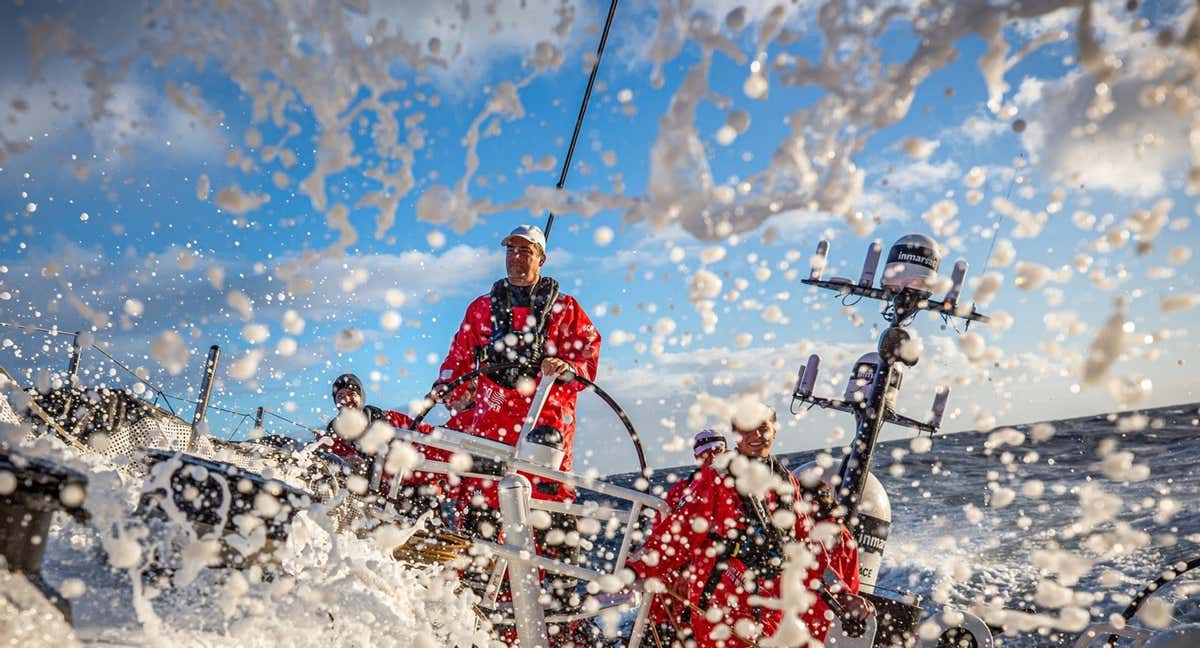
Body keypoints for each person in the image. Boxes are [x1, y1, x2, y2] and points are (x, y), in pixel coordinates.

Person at [431, 224, 602, 641]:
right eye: (511, 250)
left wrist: (567, 368)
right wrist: (450, 384)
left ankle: (563, 625)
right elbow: (460, 356)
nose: (516, 257)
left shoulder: (567, 310)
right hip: (491, 430)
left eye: (526, 251)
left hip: (544, 428)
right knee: (482, 523)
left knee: (552, 526)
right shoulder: (480, 309)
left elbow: (587, 354)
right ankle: (477, 622)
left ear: (541, 259)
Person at [626, 403, 874, 647]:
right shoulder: (715, 478)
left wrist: (842, 595)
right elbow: (677, 535)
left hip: (768, 614)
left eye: (762, 427)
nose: (755, 436)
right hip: (720, 610)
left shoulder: (786, 481)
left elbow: (805, 548)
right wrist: (632, 572)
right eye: (746, 429)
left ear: (775, 429)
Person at [646, 429, 729, 647]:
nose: (711, 457)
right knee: (664, 607)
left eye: (717, 451)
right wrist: (683, 571)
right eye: (705, 453)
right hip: (693, 567)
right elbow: (668, 535)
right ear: (697, 457)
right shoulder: (680, 491)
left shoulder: (744, 485)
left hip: (726, 569)